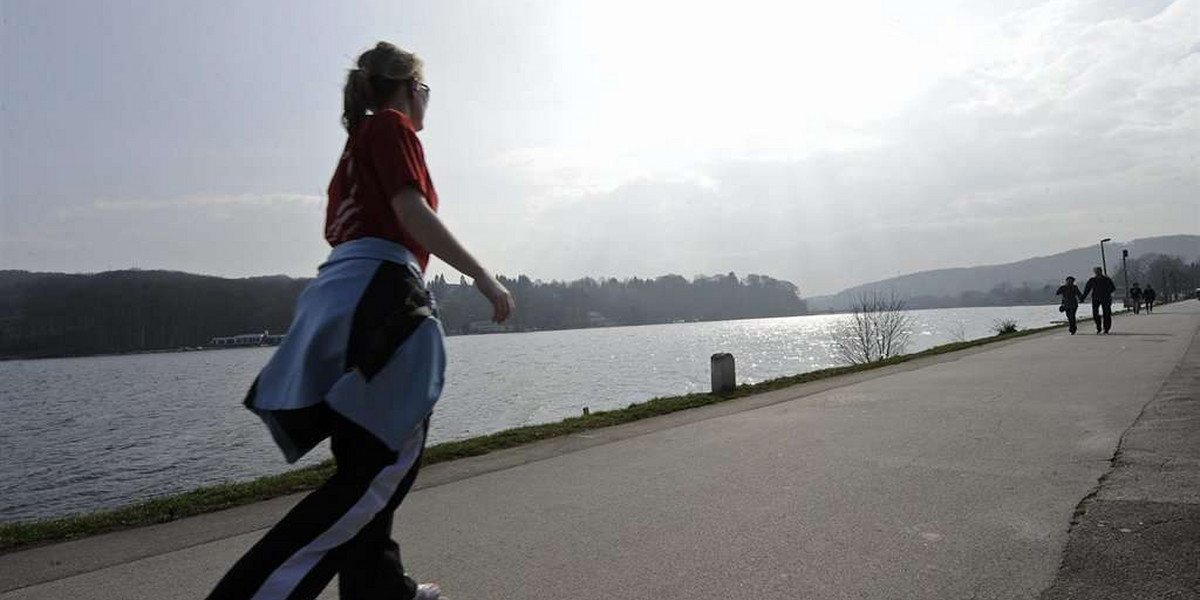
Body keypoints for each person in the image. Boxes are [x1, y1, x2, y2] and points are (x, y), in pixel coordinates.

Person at [206, 42, 514, 600]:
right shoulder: (392, 127)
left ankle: (381, 591)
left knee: (365, 453)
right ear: (408, 88)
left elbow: (345, 233)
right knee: (380, 468)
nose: (426, 103)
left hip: (334, 298)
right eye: (426, 91)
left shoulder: (350, 153)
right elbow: (409, 212)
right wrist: (482, 275)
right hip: (382, 295)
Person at [1080, 266, 1116, 334]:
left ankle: (1106, 328)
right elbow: (1087, 289)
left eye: (1098, 272)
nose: (1097, 273)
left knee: (1107, 314)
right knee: (1095, 314)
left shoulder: (1107, 279)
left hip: (1106, 298)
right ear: (1094, 272)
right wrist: (1082, 298)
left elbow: (1113, 288)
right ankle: (1099, 327)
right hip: (1096, 298)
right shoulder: (1092, 280)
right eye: (1096, 272)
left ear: (1101, 271)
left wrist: (1107, 292)